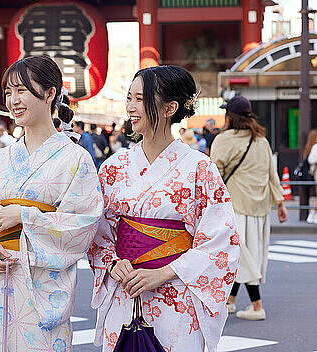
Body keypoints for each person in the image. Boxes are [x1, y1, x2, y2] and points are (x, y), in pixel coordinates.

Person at [88, 65, 239, 352]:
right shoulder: (113, 168)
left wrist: (164, 272)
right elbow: (99, 233)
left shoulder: (199, 168)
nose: (131, 107)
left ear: (170, 108)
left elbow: (221, 241)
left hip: (175, 294)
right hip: (126, 289)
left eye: (139, 99)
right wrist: (112, 263)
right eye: (129, 98)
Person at [0, 55, 103, 351]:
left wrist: (26, 216)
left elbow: (83, 224)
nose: (13, 100)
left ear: (50, 93)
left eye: (22, 90)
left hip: (40, 287)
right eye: (8, 92)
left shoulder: (75, 159)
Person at [211, 95, 287, 321]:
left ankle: (257, 306)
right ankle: (230, 301)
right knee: (249, 253)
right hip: (261, 207)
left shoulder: (224, 140)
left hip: (235, 206)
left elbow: (215, 176)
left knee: (240, 256)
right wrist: (280, 204)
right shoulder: (261, 141)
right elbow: (272, 176)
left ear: (229, 116)